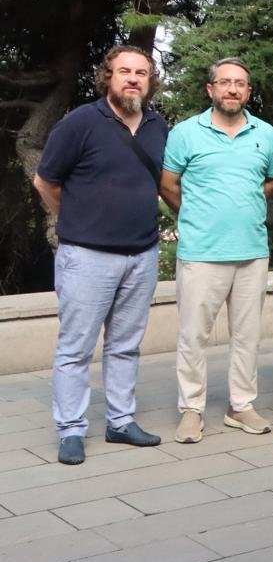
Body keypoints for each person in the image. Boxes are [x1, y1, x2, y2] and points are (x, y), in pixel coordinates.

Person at [33, 46, 172, 464]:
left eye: (141, 73)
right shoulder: (80, 122)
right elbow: (45, 182)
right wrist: (79, 220)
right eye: (124, 71)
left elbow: (163, 182)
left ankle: (121, 421)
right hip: (87, 257)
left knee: (126, 345)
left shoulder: (157, 126)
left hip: (142, 254)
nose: (133, 79)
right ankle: (71, 430)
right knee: (75, 349)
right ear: (107, 77)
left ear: (150, 82)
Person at [160, 58, 273, 443]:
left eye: (240, 84)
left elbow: (272, 180)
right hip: (201, 252)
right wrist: (197, 215)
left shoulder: (266, 134)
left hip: (251, 251)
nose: (233, 89)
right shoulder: (185, 133)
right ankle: (191, 409)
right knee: (193, 335)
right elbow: (168, 184)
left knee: (248, 336)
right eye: (225, 82)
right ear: (210, 89)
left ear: (248, 91)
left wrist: (242, 208)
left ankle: (241, 406)